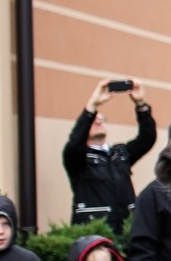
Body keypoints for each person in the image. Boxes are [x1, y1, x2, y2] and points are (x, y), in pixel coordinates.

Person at [62, 79, 156, 231]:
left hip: (126, 231)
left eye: (102, 120)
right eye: (94, 120)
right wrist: (93, 105)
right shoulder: (78, 159)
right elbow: (74, 143)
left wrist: (141, 104)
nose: (99, 122)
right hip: (95, 233)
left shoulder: (119, 154)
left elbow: (147, 138)